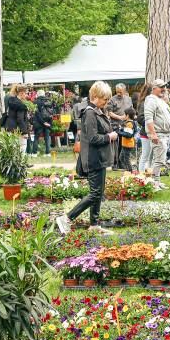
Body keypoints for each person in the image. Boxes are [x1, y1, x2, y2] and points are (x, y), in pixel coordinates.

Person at [58, 81, 118, 234]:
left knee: (98, 193)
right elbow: (92, 138)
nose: (106, 102)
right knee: (95, 193)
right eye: (104, 99)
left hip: (100, 158)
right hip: (93, 159)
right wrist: (109, 136)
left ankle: (94, 224)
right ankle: (66, 218)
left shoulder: (96, 110)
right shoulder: (90, 112)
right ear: (95, 97)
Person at [143, 79, 170, 187]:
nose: (164, 89)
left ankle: (156, 181)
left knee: (157, 159)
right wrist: (153, 134)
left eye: (164, 87)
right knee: (159, 160)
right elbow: (148, 118)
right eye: (161, 87)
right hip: (158, 134)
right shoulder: (151, 99)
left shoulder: (159, 99)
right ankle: (155, 183)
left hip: (163, 135)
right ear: (154, 88)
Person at [2, 84, 30, 153]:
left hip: (9, 128)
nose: (27, 95)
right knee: (22, 148)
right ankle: (21, 164)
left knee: (13, 149)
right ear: (21, 93)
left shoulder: (11, 101)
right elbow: (20, 119)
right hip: (18, 129)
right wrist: (24, 132)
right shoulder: (21, 105)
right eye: (26, 93)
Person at [31, 90, 55, 155]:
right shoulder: (48, 101)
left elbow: (36, 114)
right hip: (48, 121)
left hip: (39, 122)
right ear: (44, 94)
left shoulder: (35, 102)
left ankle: (34, 153)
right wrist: (47, 122)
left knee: (36, 137)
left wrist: (43, 122)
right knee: (47, 137)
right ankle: (48, 152)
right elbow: (52, 112)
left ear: (38, 95)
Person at [117, 107, 138, 171]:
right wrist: (122, 129)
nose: (123, 116)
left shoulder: (129, 124)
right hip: (125, 144)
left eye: (124, 114)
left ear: (127, 115)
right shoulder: (129, 123)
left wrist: (119, 132)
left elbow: (128, 135)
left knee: (126, 159)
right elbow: (128, 131)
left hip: (127, 145)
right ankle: (127, 170)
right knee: (121, 158)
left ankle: (130, 171)